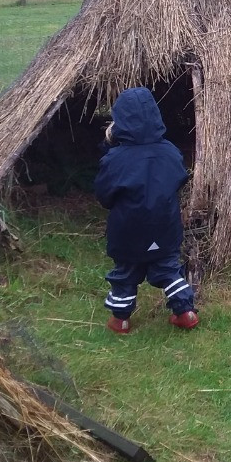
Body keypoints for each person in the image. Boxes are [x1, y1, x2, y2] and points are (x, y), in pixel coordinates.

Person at [94, 86, 199, 334]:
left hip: (128, 231)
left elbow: (104, 195)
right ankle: (185, 312)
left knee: (126, 272)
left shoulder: (115, 159)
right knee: (168, 269)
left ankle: (121, 320)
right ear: (155, 117)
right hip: (165, 227)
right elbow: (180, 179)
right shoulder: (170, 152)